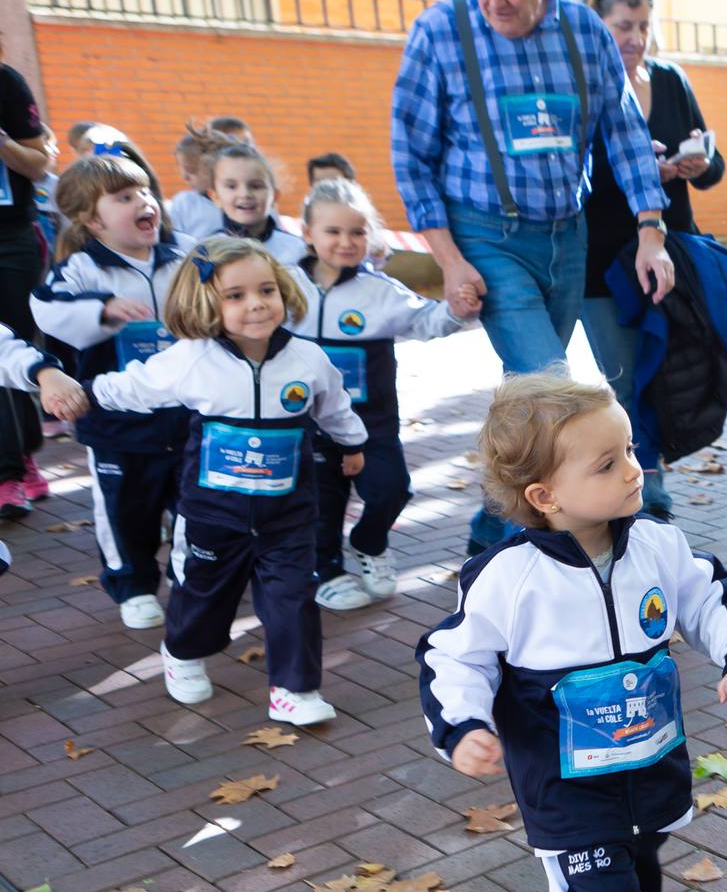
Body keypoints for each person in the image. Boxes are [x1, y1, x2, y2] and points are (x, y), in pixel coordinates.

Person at [414, 369, 727, 892]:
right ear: (545, 497)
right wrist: (461, 726)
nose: (632, 470)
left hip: (650, 764)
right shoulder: (506, 578)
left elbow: (709, 597)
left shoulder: (657, 546)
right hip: (564, 784)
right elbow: (454, 656)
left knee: (639, 891)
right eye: (606, 463)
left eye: (630, 451)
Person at [391, 0, 674, 555]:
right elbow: (411, 154)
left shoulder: (584, 33)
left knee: (528, 394)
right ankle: (578, 536)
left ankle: (495, 523)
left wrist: (650, 232)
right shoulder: (441, 33)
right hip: (486, 235)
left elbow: (624, 133)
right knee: (552, 383)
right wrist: (450, 259)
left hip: (565, 235)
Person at [89, 237, 365, 725]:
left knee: (292, 596)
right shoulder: (191, 358)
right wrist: (81, 391)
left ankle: (294, 690)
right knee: (203, 594)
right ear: (205, 303)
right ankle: (181, 652)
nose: (255, 304)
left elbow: (334, 408)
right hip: (212, 513)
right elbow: (133, 386)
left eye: (266, 290)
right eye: (235, 295)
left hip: (289, 511)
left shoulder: (308, 358)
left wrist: (352, 445)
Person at [578, 0, 726, 517]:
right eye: (622, 26)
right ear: (595, 25)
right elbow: (580, 182)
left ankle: (648, 478)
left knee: (667, 370)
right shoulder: (585, 89)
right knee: (625, 376)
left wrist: (697, 162)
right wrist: (645, 175)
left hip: (671, 255)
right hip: (603, 262)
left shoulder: (670, 79)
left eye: (642, 25)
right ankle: (646, 490)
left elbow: (714, 168)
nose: (635, 38)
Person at [297, 178, 477, 612]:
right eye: (333, 232)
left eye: (357, 233)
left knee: (391, 489)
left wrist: (456, 310)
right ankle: (328, 571)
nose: (346, 242)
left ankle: (368, 543)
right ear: (307, 234)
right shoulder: (285, 287)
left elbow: (426, 321)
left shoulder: (380, 291)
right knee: (321, 504)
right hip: (307, 426)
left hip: (369, 425)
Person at [31, 154, 192, 625]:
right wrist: (103, 308)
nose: (144, 202)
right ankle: (133, 584)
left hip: (185, 414)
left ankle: (192, 575)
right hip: (116, 422)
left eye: (144, 192)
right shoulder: (81, 269)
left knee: (194, 504)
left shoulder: (184, 253)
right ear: (91, 219)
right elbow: (46, 306)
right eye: (124, 197)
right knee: (127, 511)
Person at [0, 30, 59, 520]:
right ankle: (9, 469)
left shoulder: (6, 84)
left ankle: (20, 460)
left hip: (11, 239)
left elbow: (39, 164)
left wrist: (1, 142)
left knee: (13, 347)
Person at [206, 141, 308, 267]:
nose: (245, 194)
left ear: (274, 196)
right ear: (215, 197)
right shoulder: (208, 251)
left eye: (256, 186)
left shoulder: (296, 249)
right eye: (231, 186)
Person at [168, 126, 228, 239]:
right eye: (182, 170)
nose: (185, 177)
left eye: (191, 170)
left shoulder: (236, 201)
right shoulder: (184, 203)